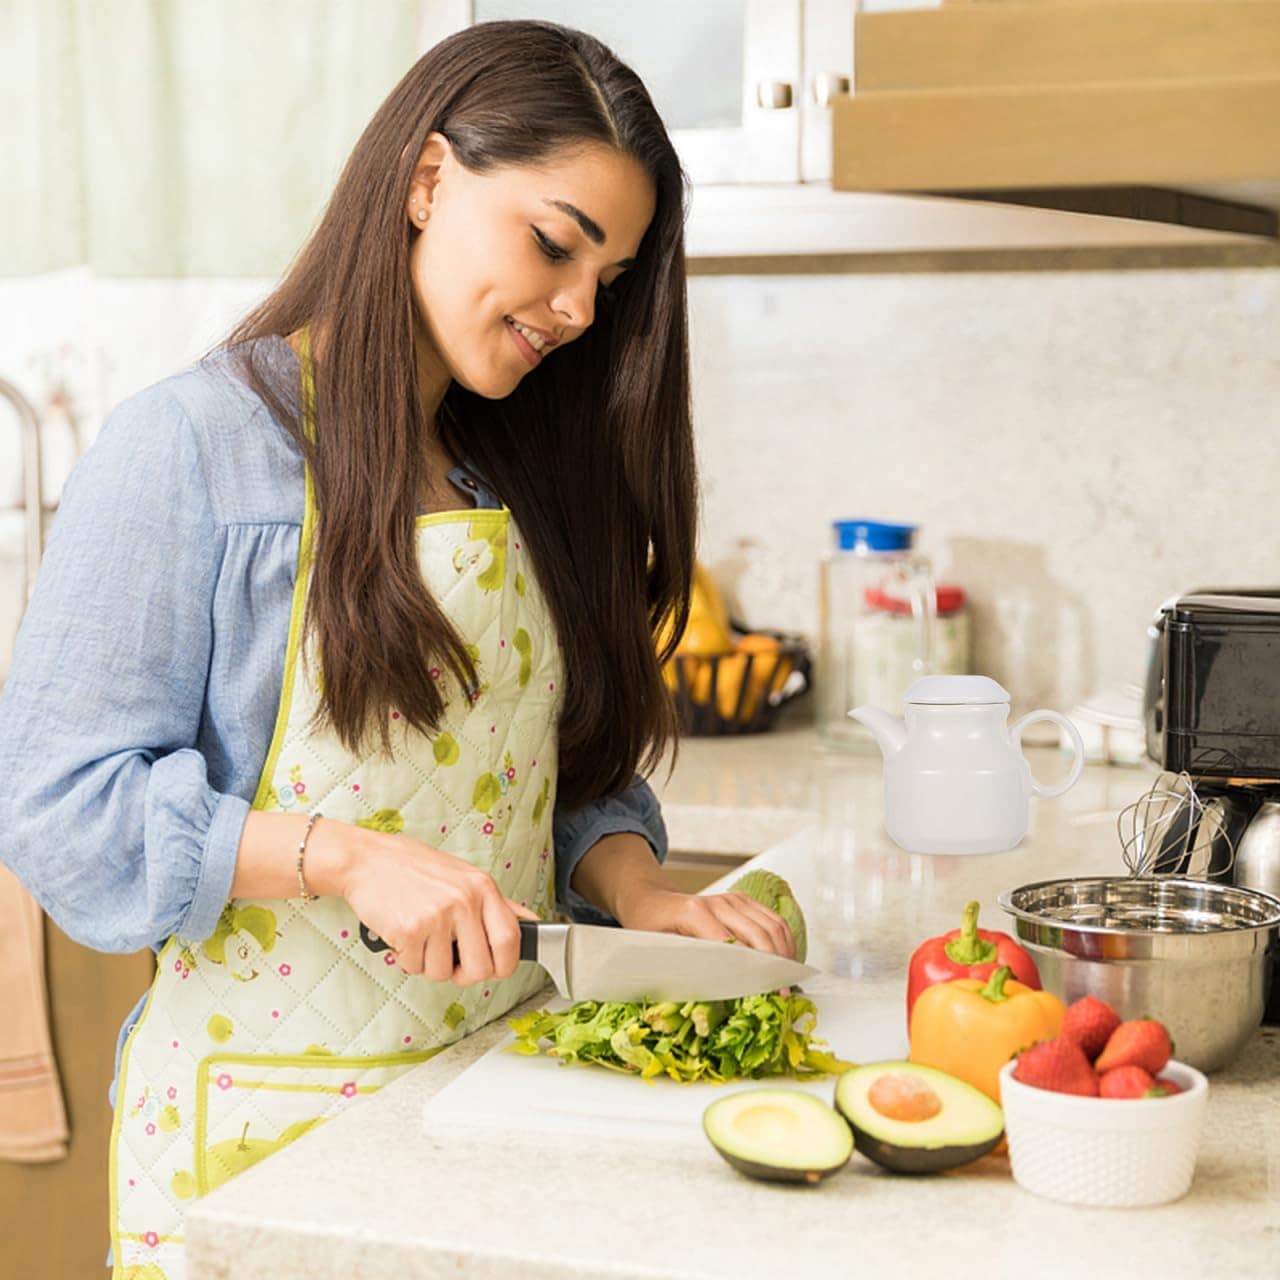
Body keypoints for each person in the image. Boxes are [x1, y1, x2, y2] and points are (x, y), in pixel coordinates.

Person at [0, 21, 796, 1280]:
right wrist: (342, 857)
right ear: (427, 181)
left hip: (493, 1108)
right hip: (254, 1150)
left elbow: (552, 766)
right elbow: (56, 800)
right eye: (554, 242)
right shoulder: (194, 446)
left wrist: (637, 888)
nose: (581, 308)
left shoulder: (515, 467)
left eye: (612, 274)